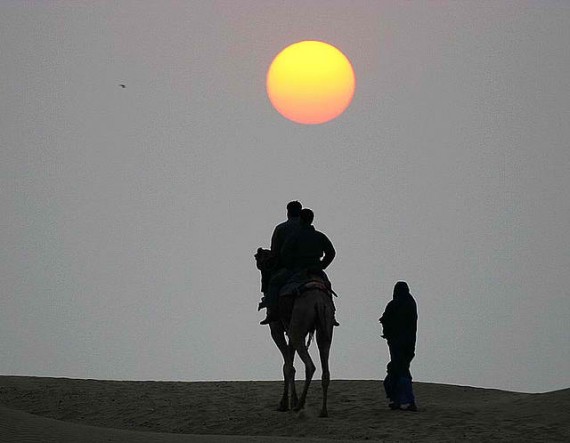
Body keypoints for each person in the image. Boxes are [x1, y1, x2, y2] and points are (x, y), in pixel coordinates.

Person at [259, 201, 303, 325]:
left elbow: (275, 252)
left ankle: (272, 312)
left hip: (290, 269)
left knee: (273, 282)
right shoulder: (308, 228)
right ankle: (331, 314)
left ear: (288, 212)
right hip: (310, 267)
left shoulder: (281, 228)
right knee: (326, 282)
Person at [379, 281, 418, 411]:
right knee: (399, 369)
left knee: (400, 370)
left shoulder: (394, 304)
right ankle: (399, 401)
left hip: (397, 344)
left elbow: (385, 319)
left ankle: (407, 401)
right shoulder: (411, 304)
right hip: (409, 345)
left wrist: (388, 332)